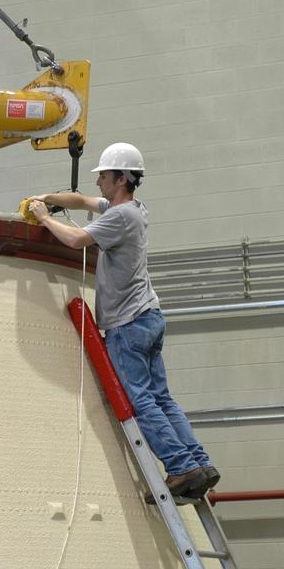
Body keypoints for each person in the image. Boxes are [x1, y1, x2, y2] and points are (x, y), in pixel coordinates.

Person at [23, 142, 217, 501]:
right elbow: (82, 202)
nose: (98, 183)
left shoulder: (120, 217)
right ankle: (199, 464)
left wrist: (44, 218)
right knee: (161, 398)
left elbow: (76, 239)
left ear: (122, 178)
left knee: (139, 399)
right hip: (148, 317)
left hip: (127, 325)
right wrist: (46, 197)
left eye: (104, 177)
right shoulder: (132, 210)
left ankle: (180, 467)